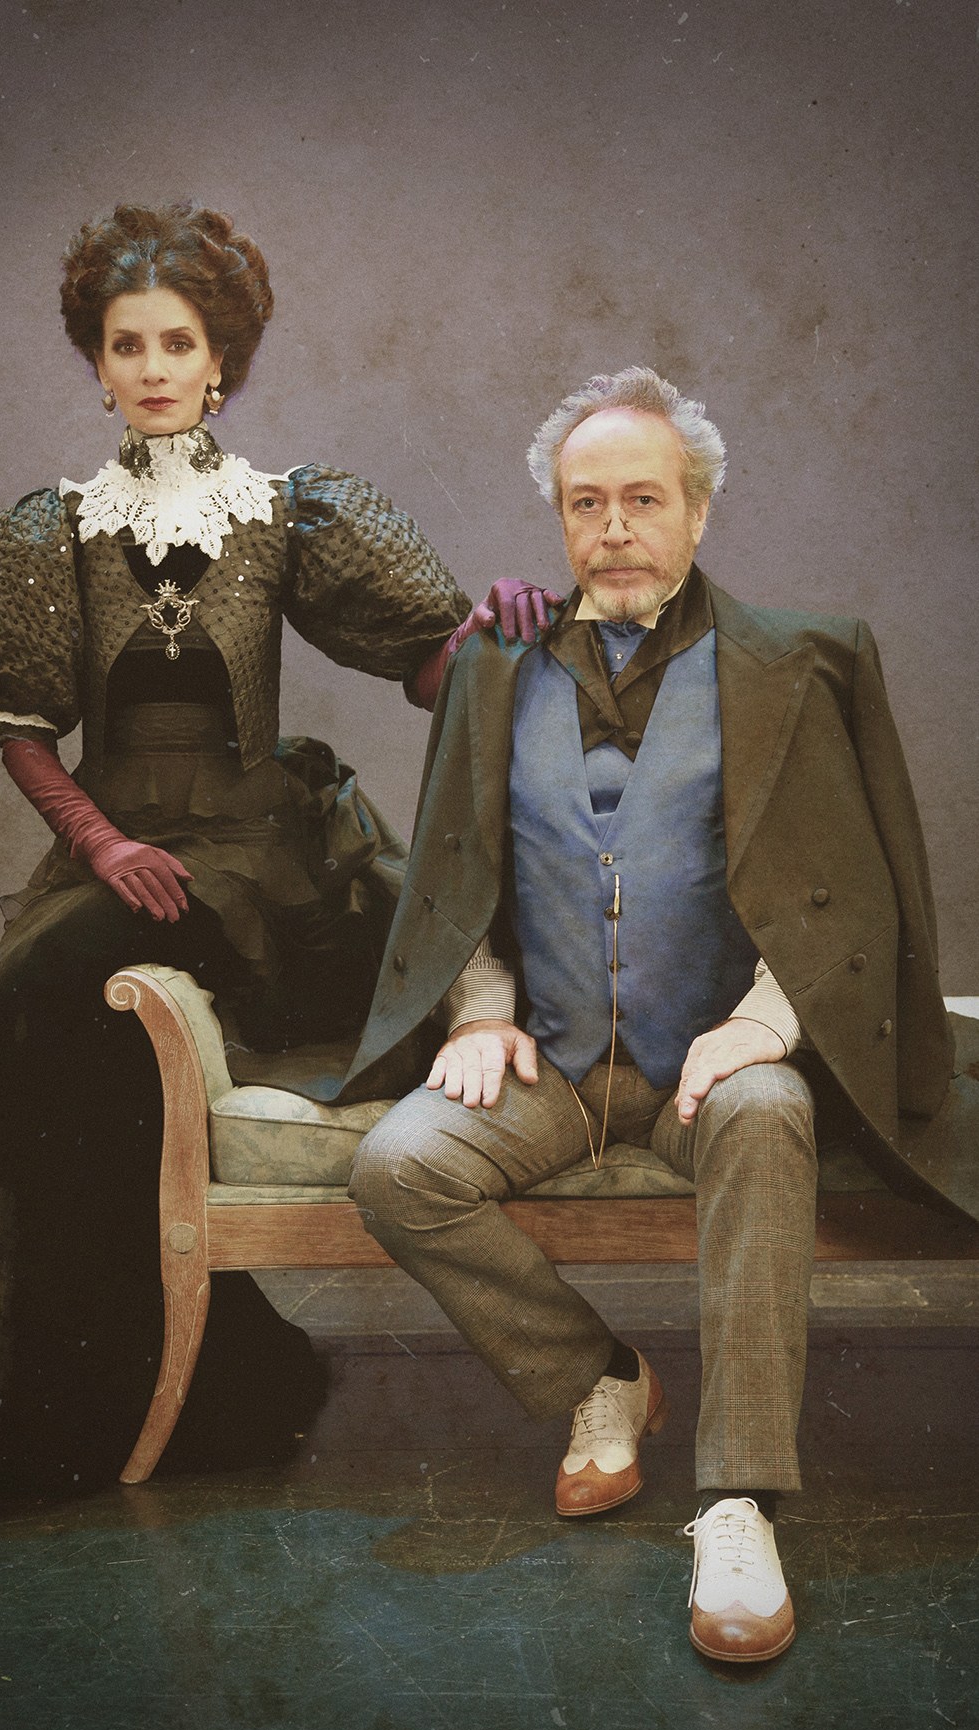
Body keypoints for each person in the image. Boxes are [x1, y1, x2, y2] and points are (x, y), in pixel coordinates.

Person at [0, 201, 554, 1505]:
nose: (155, 367)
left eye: (178, 342)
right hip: (122, 850)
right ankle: (50, 1403)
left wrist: (490, 629)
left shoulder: (285, 514)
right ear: (98, 363)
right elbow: (26, 735)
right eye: (129, 345)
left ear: (221, 356)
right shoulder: (49, 531)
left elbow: (427, 668)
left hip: (257, 858)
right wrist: (100, 841)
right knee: (18, 1028)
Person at [344, 366, 968, 1663]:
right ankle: (600, 1380)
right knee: (399, 1165)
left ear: (699, 512)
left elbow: (851, 886)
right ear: (560, 520)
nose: (615, 528)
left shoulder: (796, 662)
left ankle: (739, 1501)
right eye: (588, 504)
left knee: (767, 1111)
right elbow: (457, 871)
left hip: (709, 1065)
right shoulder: (498, 669)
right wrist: (480, 1010)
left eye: (644, 499)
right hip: (559, 1065)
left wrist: (770, 1022)